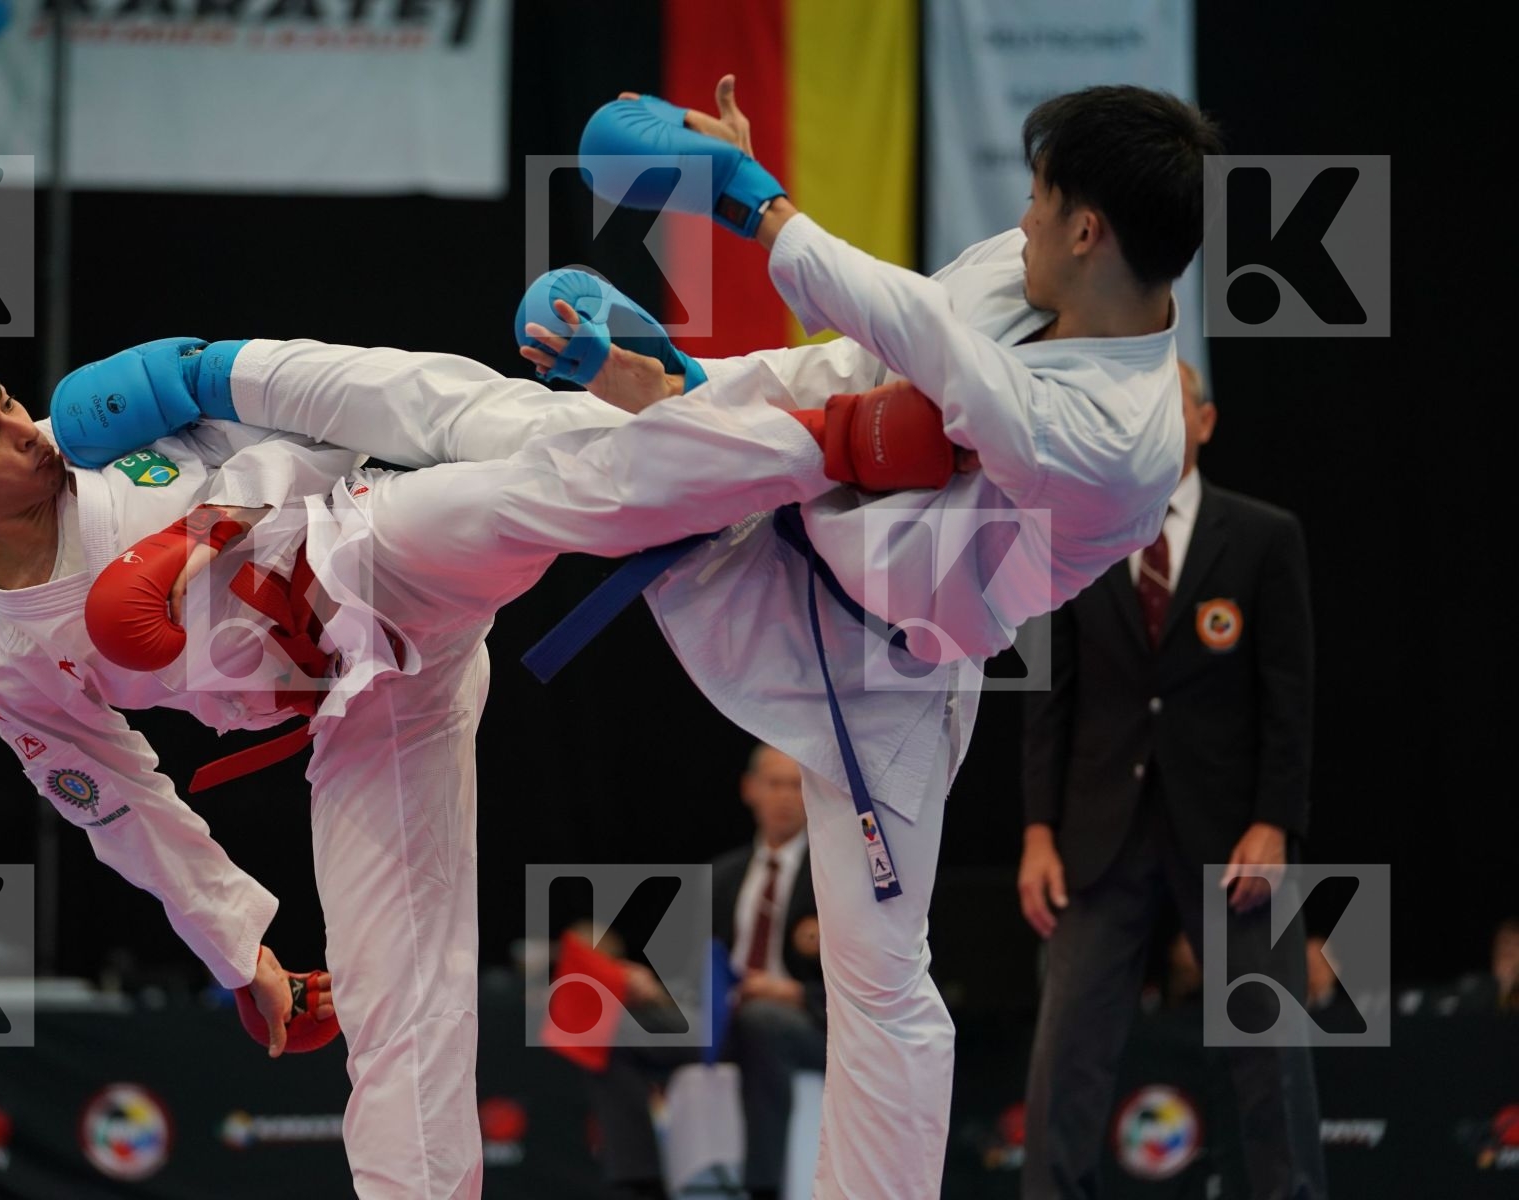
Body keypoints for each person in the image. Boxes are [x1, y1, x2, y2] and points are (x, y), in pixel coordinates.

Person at [0, 331, 950, 1199]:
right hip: (360, 705)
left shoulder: (97, 421)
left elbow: (314, 409)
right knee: (394, 1004)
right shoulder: (12, 664)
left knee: (543, 478)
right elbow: (125, 807)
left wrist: (207, 533)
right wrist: (241, 953)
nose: (24, 432)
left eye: (6, 402)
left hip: (367, 542)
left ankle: (842, 420)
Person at [515, 78, 1220, 1197]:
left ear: (1089, 229)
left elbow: (933, 352)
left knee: (882, 982)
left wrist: (751, 201)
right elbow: (868, 349)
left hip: (891, 671)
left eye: (1040, 203)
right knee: (542, 441)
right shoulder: (1033, 267)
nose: (1021, 222)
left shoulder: (1121, 439)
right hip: (800, 473)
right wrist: (702, 394)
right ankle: (257, 417)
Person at [1017, 360, 1324, 1198]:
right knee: (1066, 1058)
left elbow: (1289, 699)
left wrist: (1276, 822)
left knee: (1270, 1056)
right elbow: (1048, 695)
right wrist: (1038, 831)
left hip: (1231, 836)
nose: (1154, 419)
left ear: (1205, 422)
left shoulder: (1263, 536)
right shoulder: (1075, 535)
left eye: (1170, 404)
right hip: (1098, 831)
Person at [588, 742, 825, 1200]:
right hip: (725, 1018)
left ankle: (764, 1186)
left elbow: (866, 975)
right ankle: (640, 1183)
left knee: (762, 1020)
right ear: (750, 789)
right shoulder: (725, 874)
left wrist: (790, 992)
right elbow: (698, 970)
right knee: (607, 1027)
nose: (784, 797)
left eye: (796, 786)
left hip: (807, 1021)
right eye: (774, 784)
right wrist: (655, 990)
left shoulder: (833, 876)